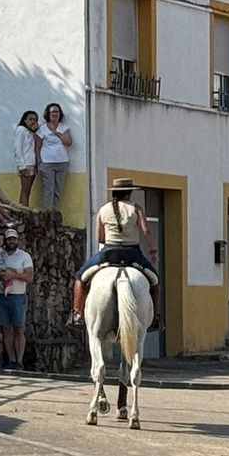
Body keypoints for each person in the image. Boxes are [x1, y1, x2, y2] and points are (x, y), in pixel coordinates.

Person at [71, 178, 160, 324]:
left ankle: (77, 313)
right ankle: (156, 316)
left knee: (80, 277)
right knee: (155, 282)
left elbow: (100, 237)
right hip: (132, 254)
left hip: (108, 253)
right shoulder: (136, 209)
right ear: (129, 193)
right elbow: (146, 231)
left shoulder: (103, 210)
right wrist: (153, 250)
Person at [0, 224, 33, 370]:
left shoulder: (24, 256)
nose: (11, 242)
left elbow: (29, 277)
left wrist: (14, 274)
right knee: (6, 329)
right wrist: (2, 274)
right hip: (0, 294)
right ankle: (11, 359)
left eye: (13, 239)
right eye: (9, 239)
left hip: (17, 296)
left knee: (19, 329)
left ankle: (19, 360)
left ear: (17, 240)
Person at [37, 102, 73, 214]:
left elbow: (69, 142)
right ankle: (47, 215)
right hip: (47, 163)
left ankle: (54, 214)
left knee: (58, 190)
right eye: (52, 112)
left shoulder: (63, 127)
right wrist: (39, 163)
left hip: (62, 162)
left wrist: (58, 134)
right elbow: (37, 146)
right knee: (48, 190)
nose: (55, 114)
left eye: (57, 111)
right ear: (48, 113)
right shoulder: (42, 128)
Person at [12, 109, 41, 207]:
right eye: (30, 119)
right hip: (25, 165)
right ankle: (23, 210)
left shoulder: (31, 132)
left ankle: (24, 210)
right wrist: (21, 165)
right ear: (25, 120)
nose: (33, 121)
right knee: (25, 191)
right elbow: (18, 148)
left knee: (27, 191)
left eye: (35, 120)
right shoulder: (21, 130)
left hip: (32, 164)